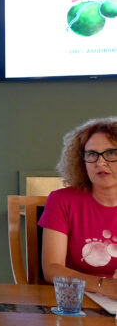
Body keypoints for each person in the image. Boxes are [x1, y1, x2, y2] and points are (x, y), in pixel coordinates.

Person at [39, 117, 117, 299]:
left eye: (111, 153)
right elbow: (51, 269)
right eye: (91, 154)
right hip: (76, 300)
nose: (100, 163)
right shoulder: (61, 200)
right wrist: (103, 286)